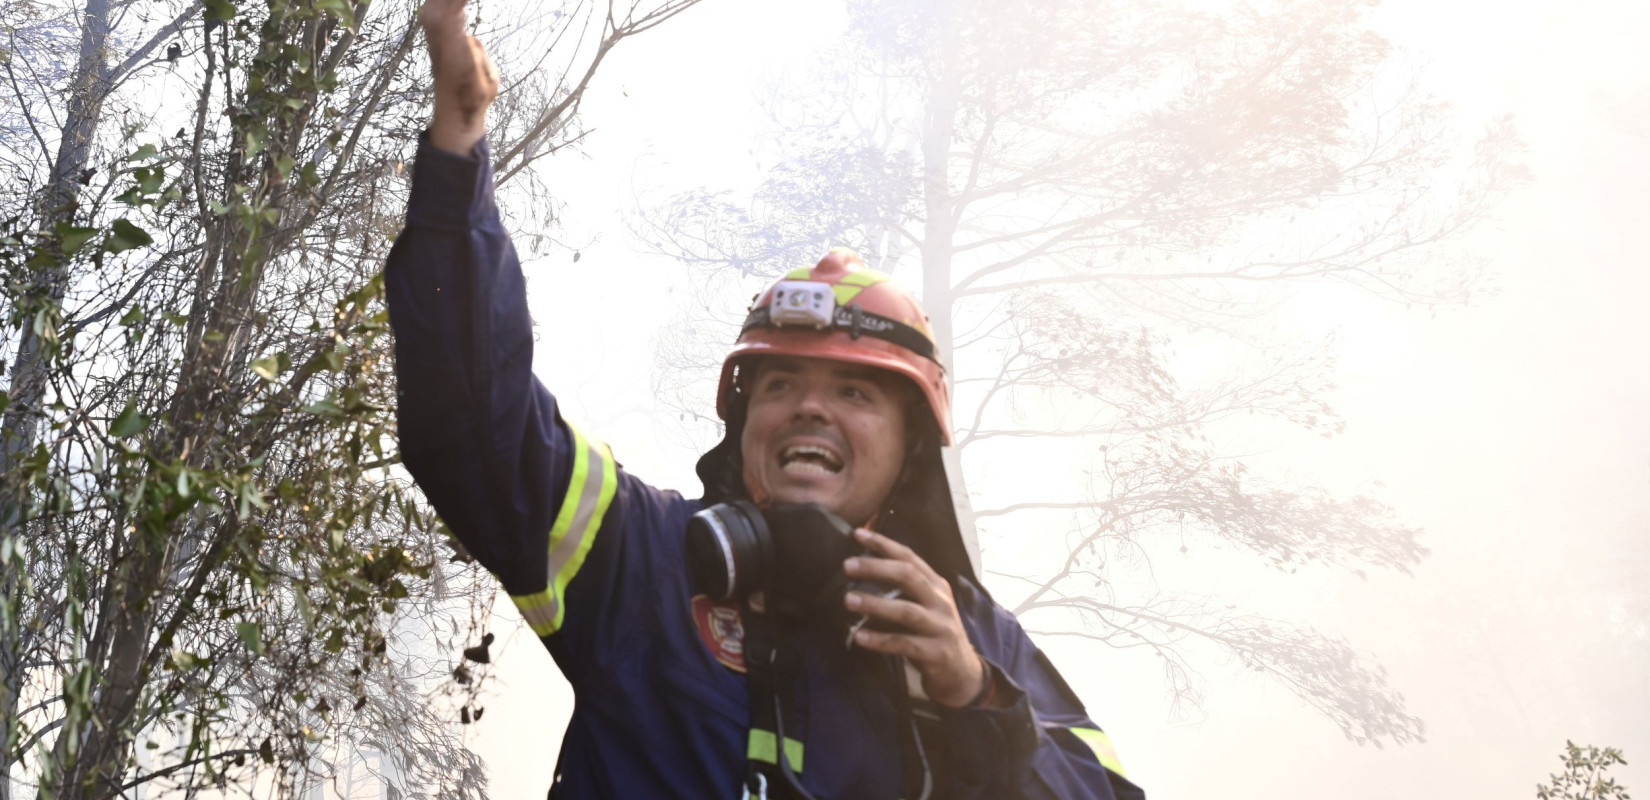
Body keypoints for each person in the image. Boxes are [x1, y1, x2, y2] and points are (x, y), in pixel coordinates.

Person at [386, 1, 1147, 797]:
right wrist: (457, 150)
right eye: (780, 384)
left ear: (912, 445)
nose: (809, 408)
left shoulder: (972, 639)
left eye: (854, 390)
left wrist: (975, 699)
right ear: (743, 424)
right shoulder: (642, 559)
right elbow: (472, 422)